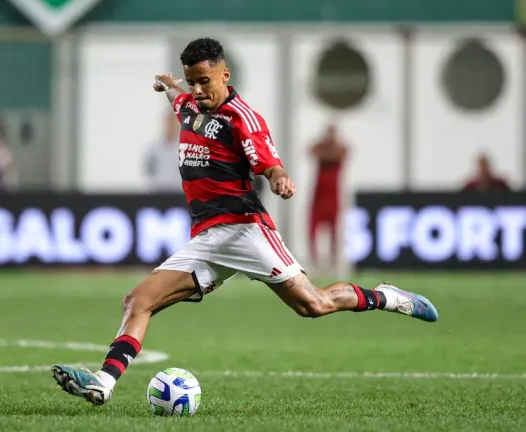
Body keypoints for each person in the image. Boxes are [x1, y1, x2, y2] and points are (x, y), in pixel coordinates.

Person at [51, 38, 439, 406]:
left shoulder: (243, 119)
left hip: (244, 230)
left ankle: (386, 297)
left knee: (313, 305)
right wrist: (169, 85)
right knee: (138, 300)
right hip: (206, 239)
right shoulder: (188, 104)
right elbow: (178, 99)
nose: (199, 90)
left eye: (205, 81)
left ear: (225, 74)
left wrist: (279, 177)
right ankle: (103, 383)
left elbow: (268, 162)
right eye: (192, 82)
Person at [308, 122, 348, 271]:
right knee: (312, 231)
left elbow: (338, 154)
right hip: (318, 196)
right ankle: (315, 262)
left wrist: (330, 146)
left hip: (333, 198)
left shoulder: (340, 148)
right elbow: (312, 150)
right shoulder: (321, 148)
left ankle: (333, 261)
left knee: (334, 233)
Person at [144, 113, 183, 193]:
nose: (171, 127)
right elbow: (148, 168)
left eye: (174, 124)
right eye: (169, 123)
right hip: (158, 191)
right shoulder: (154, 148)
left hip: (177, 192)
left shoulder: (183, 148)